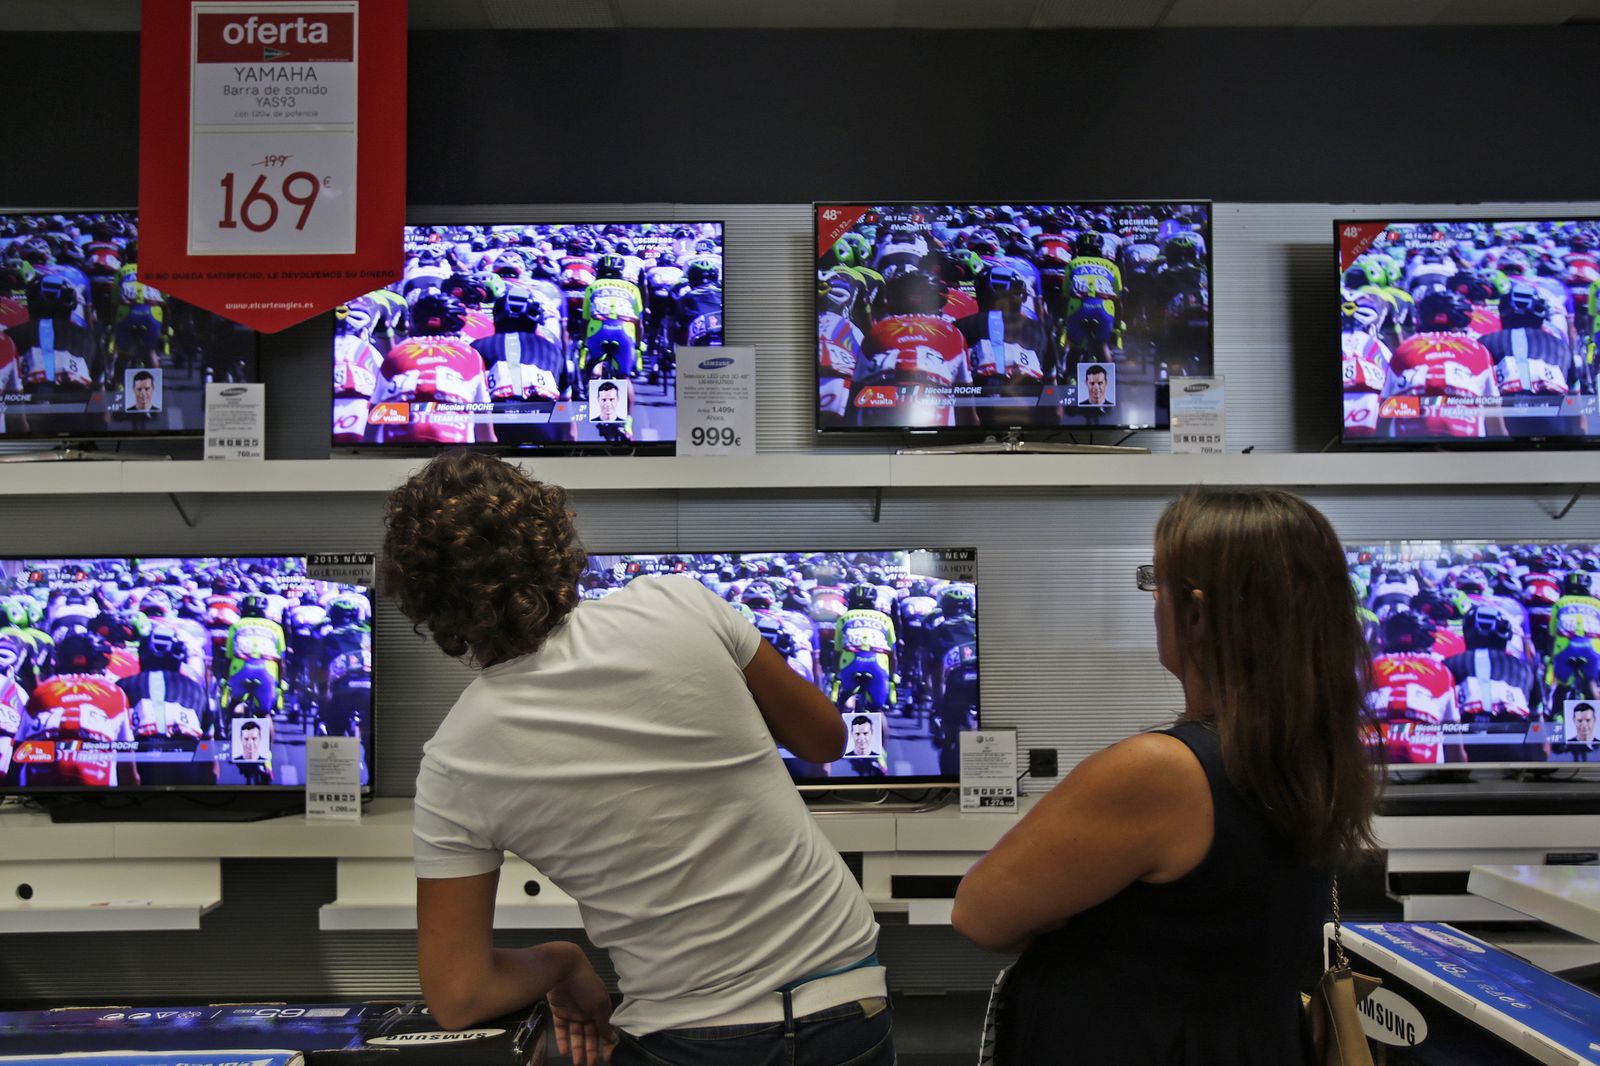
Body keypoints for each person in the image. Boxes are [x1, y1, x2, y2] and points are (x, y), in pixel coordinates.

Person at [382, 451, 892, 1066]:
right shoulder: (680, 606)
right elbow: (826, 740)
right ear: (553, 535)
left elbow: (459, 996)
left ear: (423, 599)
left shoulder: (454, 761)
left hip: (688, 1034)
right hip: (847, 1000)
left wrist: (562, 962)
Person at [952, 489, 1379, 1065]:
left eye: (1157, 579)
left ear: (1197, 613)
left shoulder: (1163, 772)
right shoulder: (1311, 754)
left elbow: (981, 914)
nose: (1152, 598)